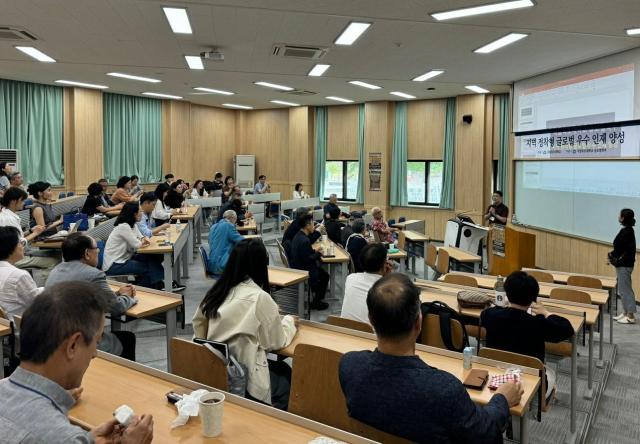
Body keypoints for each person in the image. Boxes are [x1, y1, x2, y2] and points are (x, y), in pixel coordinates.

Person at [339, 273, 522, 443]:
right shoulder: (444, 389)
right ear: (419, 323)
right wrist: (502, 400)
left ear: (371, 319)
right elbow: (485, 432)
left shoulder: (349, 365)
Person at [0, 281, 154, 443]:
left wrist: (87, 440)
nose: (94, 354)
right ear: (73, 345)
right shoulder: (62, 437)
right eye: (97, 342)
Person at [193, 239, 296, 409]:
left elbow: (199, 330)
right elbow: (277, 342)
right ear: (262, 265)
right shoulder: (260, 297)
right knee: (284, 372)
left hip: (214, 372)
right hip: (245, 379)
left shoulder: (215, 293)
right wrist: (289, 322)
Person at [45, 233, 138, 359]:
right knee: (127, 338)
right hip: (81, 341)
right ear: (87, 254)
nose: (98, 253)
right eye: (97, 250)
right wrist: (128, 297)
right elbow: (117, 307)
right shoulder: (94, 275)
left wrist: (116, 294)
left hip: (56, 339)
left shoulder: (55, 271)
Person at [481, 271, 574, 397]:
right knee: (550, 373)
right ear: (533, 299)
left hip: (496, 375)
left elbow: (488, 312)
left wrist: (503, 307)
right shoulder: (538, 323)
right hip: (531, 382)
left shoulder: (491, 316)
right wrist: (546, 313)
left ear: (507, 293)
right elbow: (567, 329)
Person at [102, 202, 165, 289]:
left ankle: (157, 283)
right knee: (148, 268)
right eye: (140, 211)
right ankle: (143, 290)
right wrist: (143, 240)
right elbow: (137, 244)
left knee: (152, 258)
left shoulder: (133, 225)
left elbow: (143, 237)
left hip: (125, 258)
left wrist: (143, 239)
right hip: (114, 264)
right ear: (134, 214)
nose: (142, 213)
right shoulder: (123, 227)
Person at [0, 187, 59, 272]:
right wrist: (35, 233)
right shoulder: (8, 218)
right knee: (52, 261)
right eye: (22, 200)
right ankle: (44, 285)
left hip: (17, 253)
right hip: (13, 258)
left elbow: (16, 237)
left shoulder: (9, 215)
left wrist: (31, 231)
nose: (23, 203)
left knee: (56, 253)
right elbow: (18, 243)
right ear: (13, 201)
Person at [341, 243, 392, 324]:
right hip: (371, 335)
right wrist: (388, 278)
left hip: (345, 331)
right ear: (385, 264)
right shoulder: (387, 290)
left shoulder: (351, 278)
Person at [0, 226, 43, 317]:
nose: (22, 246)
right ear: (10, 247)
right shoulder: (19, 275)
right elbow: (38, 304)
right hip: (22, 326)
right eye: (20, 243)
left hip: (5, 325)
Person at [289, 214, 329, 310]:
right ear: (307, 226)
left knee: (322, 273)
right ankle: (316, 302)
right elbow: (308, 259)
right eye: (312, 224)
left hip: (298, 266)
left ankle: (316, 295)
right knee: (325, 276)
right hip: (304, 270)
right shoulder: (305, 240)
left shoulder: (299, 236)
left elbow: (306, 254)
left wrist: (315, 251)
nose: (314, 226)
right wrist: (319, 253)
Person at [610, 208, 637, 324]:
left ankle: (630, 315)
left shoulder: (627, 231)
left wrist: (613, 256)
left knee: (625, 290)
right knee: (622, 289)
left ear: (623, 218)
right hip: (623, 264)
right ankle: (625, 312)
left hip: (625, 265)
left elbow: (620, 247)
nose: (618, 217)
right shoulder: (626, 230)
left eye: (619, 215)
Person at [207, 210, 244, 274]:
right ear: (232, 218)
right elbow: (242, 241)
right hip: (221, 265)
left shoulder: (213, 227)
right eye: (236, 219)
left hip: (211, 265)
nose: (235, 223)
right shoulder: (228, 226)